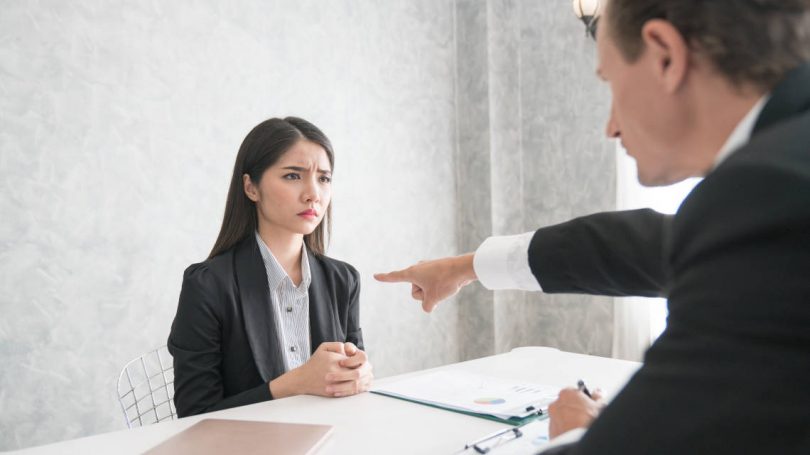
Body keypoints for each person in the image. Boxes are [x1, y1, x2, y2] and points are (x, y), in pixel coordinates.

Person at [375, 0, 810, 453]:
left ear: (664, 55)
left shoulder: (768, 189)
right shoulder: (780, 171)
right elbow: (646, 247)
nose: (610, 126)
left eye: (610, 83)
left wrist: (582, 431)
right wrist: (465, 266)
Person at [168, 117, 372, 417]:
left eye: (324, 178)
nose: (313, 193)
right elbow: (195, 414)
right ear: (251, 187)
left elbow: (349, 388)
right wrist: (293, 384)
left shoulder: (343, 280)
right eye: (293, 176)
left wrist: (359, 374)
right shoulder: (208, 285)